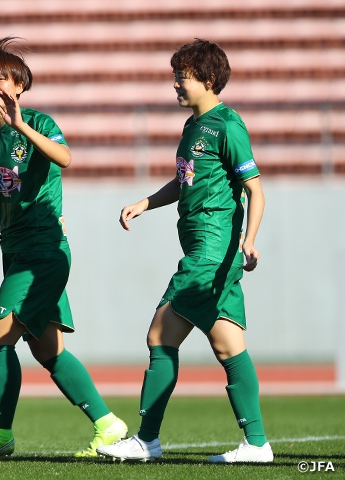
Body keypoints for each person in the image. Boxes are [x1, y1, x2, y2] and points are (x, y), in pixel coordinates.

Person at [0, 37, 128, 458]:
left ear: (20, 86)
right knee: (47, 351)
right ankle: (108, 424)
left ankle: (1, 434)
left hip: (44, 251)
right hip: (14, 251)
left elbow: (65, 158)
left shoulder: (39, 123)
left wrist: (22, 127)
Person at [96, 38, 272, 464]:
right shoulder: (193, 126)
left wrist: (248, 241)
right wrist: (146, 202)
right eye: (175, 75)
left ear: (209, 79)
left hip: (212, 252)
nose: (175, 83)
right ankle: (257, 445)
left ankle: (147, 440)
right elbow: (185, 181)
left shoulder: (227, 125)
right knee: (229, 346)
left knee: (160, 334)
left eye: (183, 76)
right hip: (203, 249)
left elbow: (255, 190)